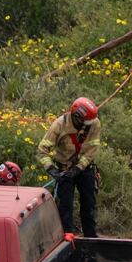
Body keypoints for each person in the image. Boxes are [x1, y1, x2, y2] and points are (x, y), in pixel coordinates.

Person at [38, 97, 101, 237]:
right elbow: (42, 150)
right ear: (76, 117)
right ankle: (66, 236)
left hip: (85, 168)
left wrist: (78, 168)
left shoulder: (94, 123)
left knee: (89, 204)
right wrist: (52, 169)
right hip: (64, 170)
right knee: (64, 206)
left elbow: (92, 150)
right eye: (85, 122)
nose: (87, 126)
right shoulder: (59, 125)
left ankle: (90, 237)